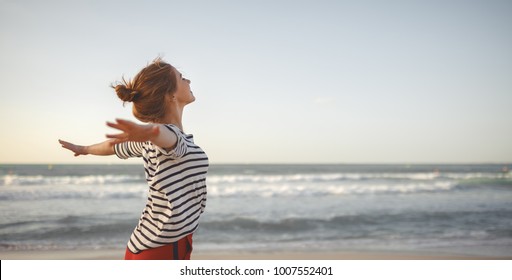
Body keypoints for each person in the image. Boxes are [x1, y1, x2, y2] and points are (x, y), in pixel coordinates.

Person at [59, 58, 209, 260]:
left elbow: (112, 147)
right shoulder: (169, 137)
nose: (188, 80)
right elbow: (163, 136)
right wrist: (148, 131)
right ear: (170, 94)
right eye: (181, 78)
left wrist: (84, 148)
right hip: (162, 248)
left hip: (151, 243)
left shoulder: (151, 140)